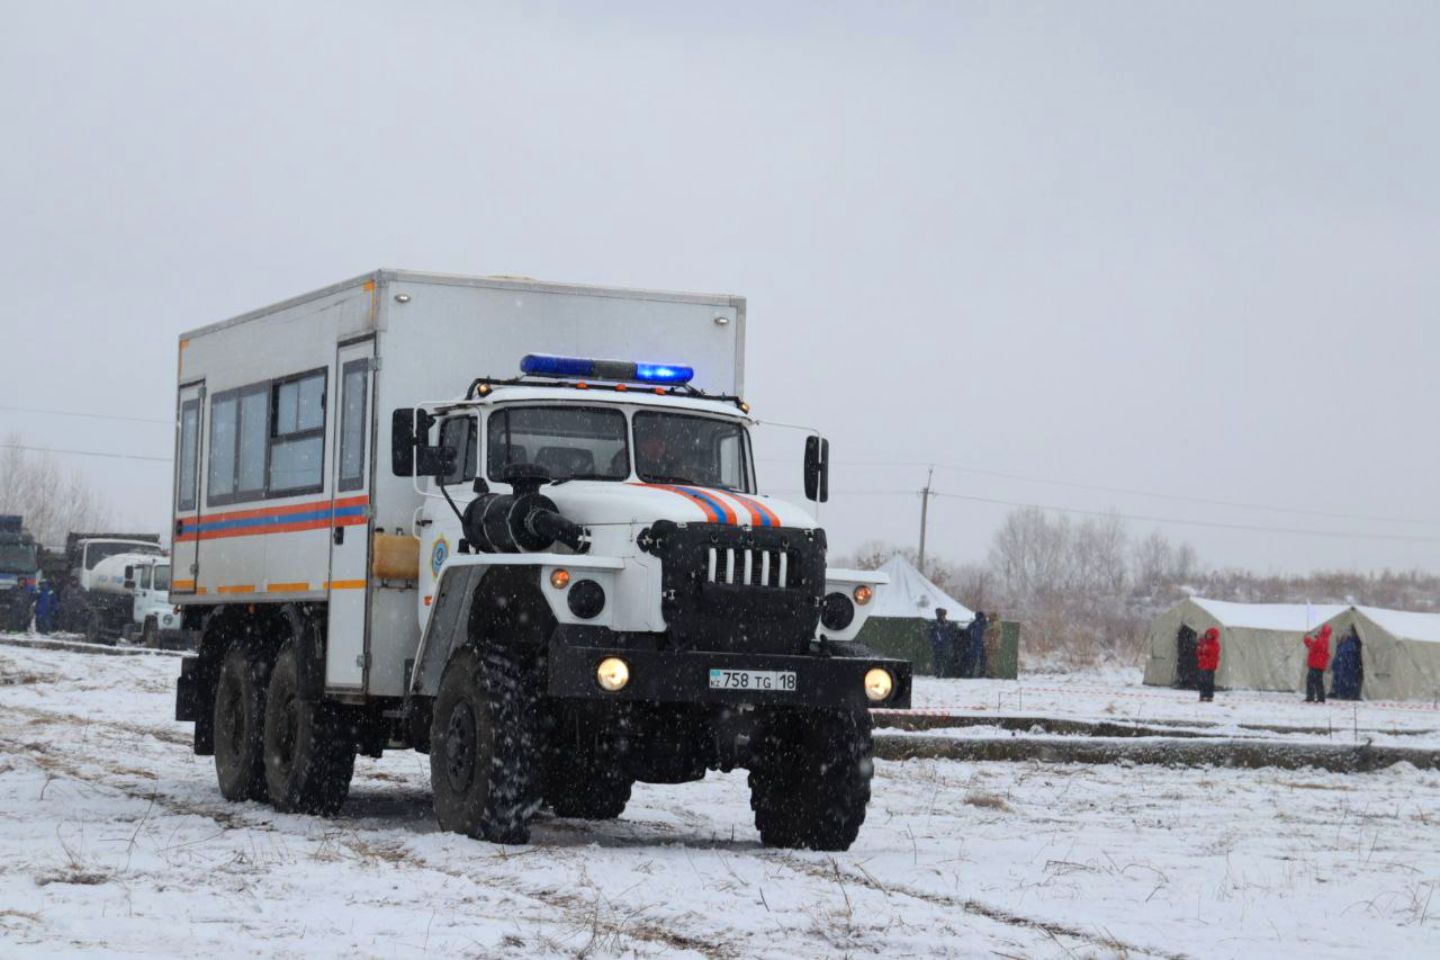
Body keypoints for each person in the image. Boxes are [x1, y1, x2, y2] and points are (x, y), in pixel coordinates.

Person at [1331, 626, 1363, 700]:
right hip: (1343, 667)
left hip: (1348, 667)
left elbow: (1346, 655)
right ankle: (1342, 693)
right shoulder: (1342, 645)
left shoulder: (1351, 643)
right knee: (1341, 681)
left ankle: (1348, 694)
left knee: (1348, 681)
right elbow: (1338, 655)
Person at [1303, 623, 1332, 703]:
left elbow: (1313, 645)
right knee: (1316, 681)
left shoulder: (1323, 640)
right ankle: (1318, 697)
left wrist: (1306, 639)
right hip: (1318, 664)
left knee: (1312, 681)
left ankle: (1313, 697)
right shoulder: (1324, 640)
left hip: (1316, 664)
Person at [1195, 627, 1220, 702]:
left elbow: (1212, 654)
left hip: (1210, 666)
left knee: (1209, 681)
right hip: (1203, 665)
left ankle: (1209, 695)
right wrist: (1200, 652)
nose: (1208, 636)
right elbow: (1199, 653)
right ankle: (1202, 695)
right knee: (1202, 681)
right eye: (1207, 634)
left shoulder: (1215, 644)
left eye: (1210, 635)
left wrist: (1204, 654)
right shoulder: (1204, 643)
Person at [929, 608, 955, 678]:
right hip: (940, 646)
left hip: (943, 645)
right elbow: (931, 635)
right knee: (939, 660)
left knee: (943, 660)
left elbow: (951, 634)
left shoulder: (947, 624)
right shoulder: (936, 624)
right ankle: (939, 673)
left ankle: (943, 673)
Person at [966, 610, 990, 679]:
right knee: (981, 659)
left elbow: (968, 628)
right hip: (981, 643)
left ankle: (972, 673)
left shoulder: (978, 622)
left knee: (975, 659)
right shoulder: (983, 622)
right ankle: (981, 673)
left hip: (977, 642)